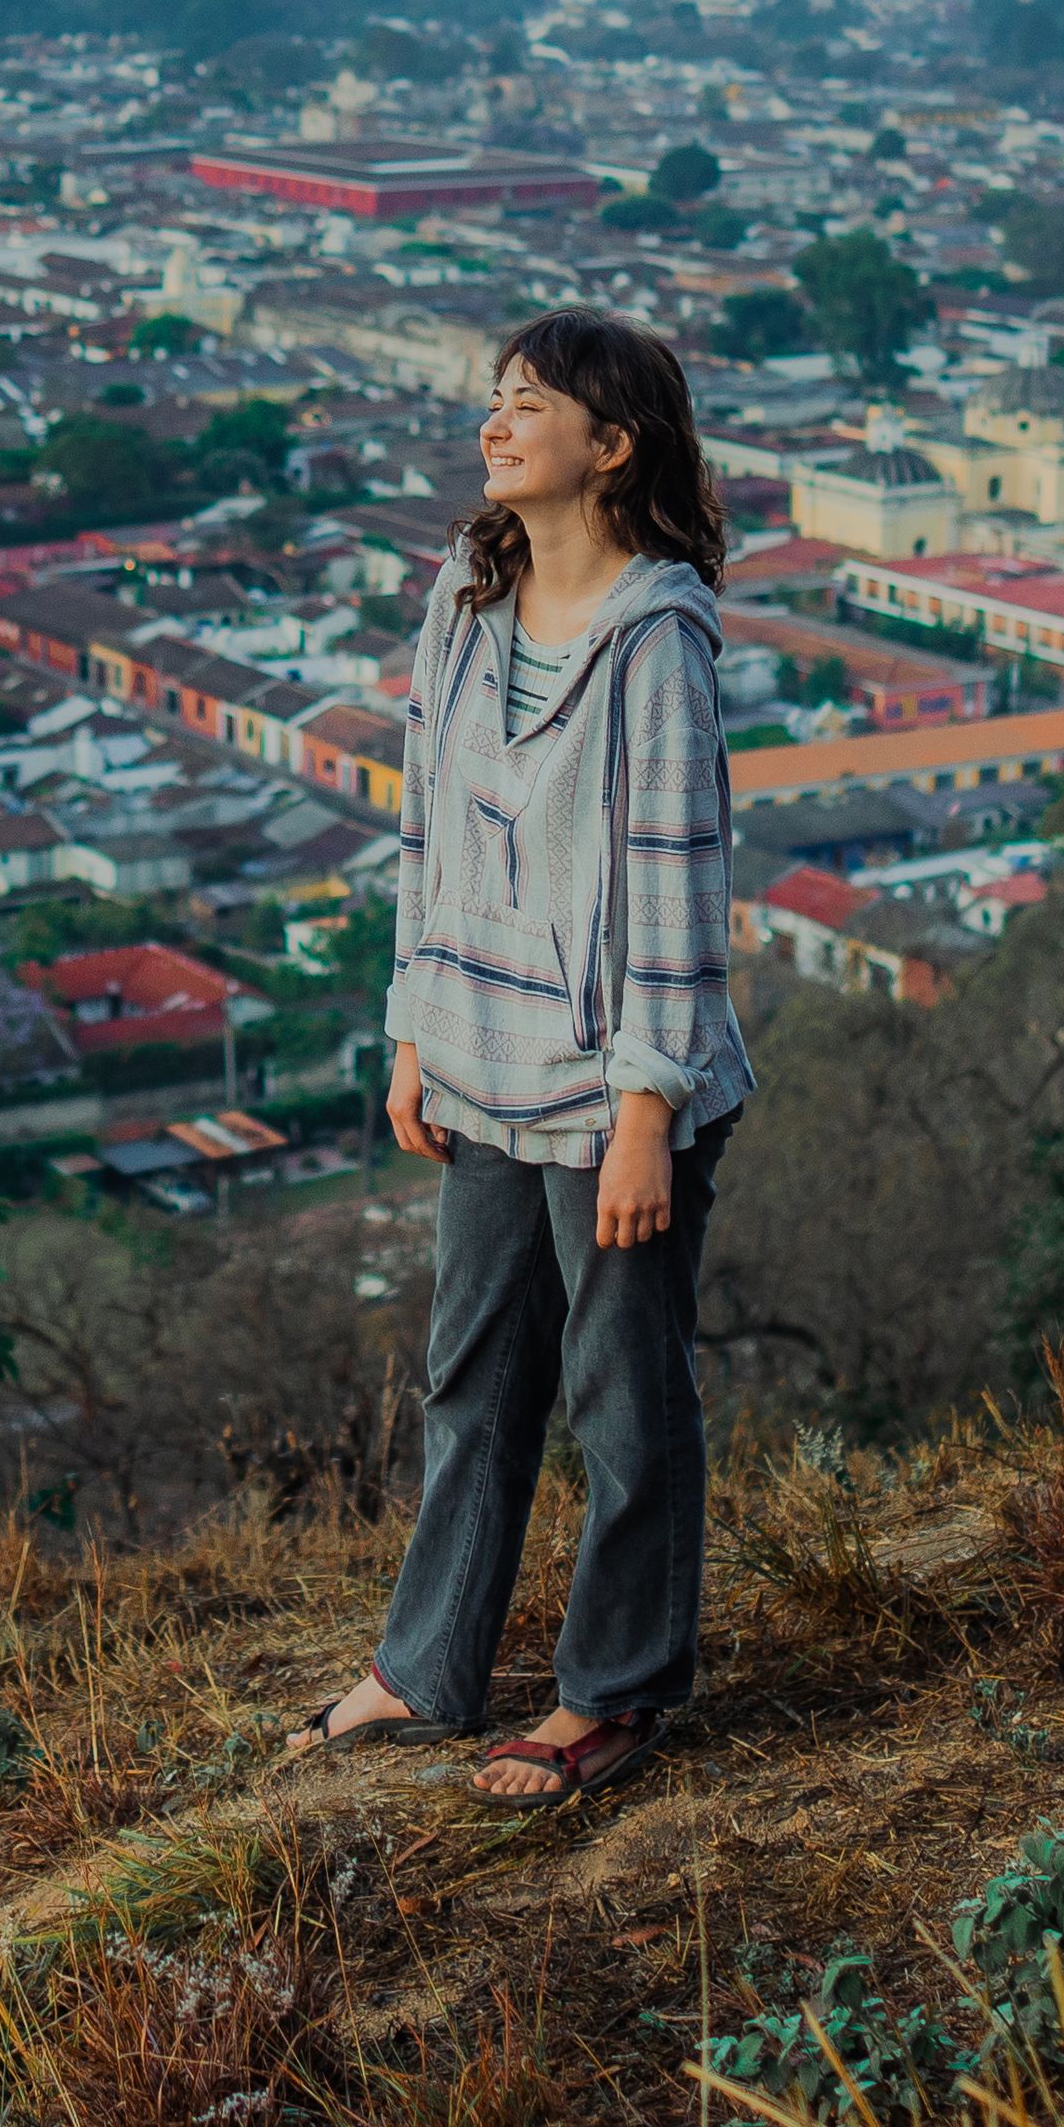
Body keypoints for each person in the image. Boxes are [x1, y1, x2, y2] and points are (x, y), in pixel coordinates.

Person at [286, 308, 743, 1804]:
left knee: (622, 1395)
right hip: (479, 1056)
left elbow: (676, 886)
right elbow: (425, 833)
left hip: (615, 1084)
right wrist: (412, 1029)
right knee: (472, 1379)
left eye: (531, 402)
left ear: (612, 446)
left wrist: (647, 1110)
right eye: (497, 396)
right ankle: (426, 1666)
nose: (496, 422)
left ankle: (616, 1693)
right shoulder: (466, 598)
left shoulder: (657, 643)